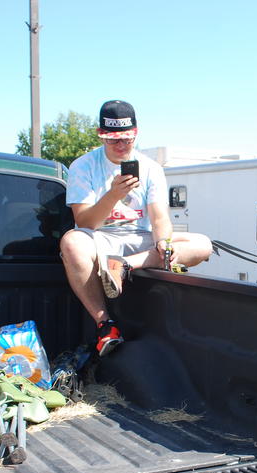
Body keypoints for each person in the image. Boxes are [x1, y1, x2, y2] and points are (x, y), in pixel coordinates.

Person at [60, 100, 213, 355]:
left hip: (139, 240)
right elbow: (85, 222)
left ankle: (125, 265)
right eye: (113, 139)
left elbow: (159, 218)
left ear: (136, 133)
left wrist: (163, 241)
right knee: (71, 242)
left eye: (127, 139)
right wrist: (112, 195)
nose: (121, 146)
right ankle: (104, 324)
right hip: (100, 238)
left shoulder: (151, 168)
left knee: (203, 245)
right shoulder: (83, 166)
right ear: (101, 136)